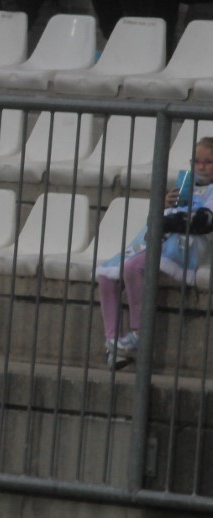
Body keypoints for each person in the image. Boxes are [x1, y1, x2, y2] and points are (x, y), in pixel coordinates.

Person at [96, 138, 213, 370]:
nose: (201, 167)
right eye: (197, 161)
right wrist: (164, 205)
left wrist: (166, 220)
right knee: (107, 276)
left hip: (186, 244)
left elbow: (205, 221)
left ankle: (140, 333)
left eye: (208, 162)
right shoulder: (185, 185)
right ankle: (114, 345)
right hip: (161, 238)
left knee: (133, 267)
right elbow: (155, 219)